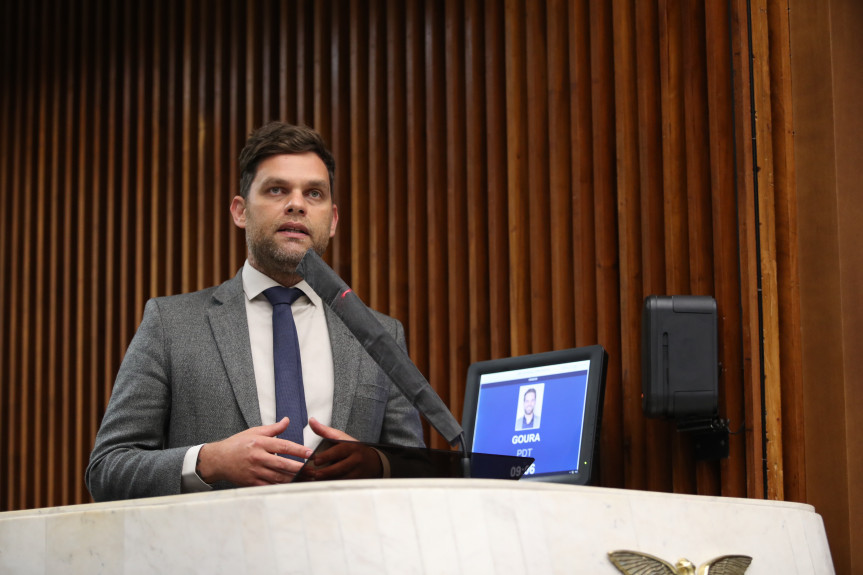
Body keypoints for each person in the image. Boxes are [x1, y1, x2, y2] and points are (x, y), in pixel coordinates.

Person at [86, 122, 424, 502]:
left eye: (313, 193)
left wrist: (378, 465)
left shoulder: (381, 333)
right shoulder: (171, 325)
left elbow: (418, 469)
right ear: (240, 211)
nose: (296, 203)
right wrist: (208, 461)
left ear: (331, 222)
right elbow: (108, 469)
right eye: (277, 189)